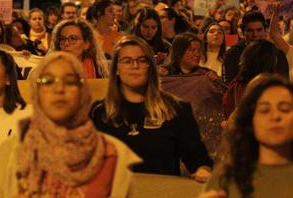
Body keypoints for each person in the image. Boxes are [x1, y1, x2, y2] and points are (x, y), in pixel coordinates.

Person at [0, 51, 138, 198]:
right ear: (36, 92)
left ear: (83, 92)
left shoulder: (112, 153)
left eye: (70, 82)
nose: (59, 89)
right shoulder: (8, 153)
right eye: (47, 81)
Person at [91, 37, 213, 180]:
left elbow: (198, 160)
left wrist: (203, 170)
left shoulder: (176, 110)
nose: (135, 65)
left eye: (142, 60)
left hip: (161, 197)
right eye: (127, 61)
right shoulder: (99, 113)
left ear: (150, 66)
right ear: (116, 69)